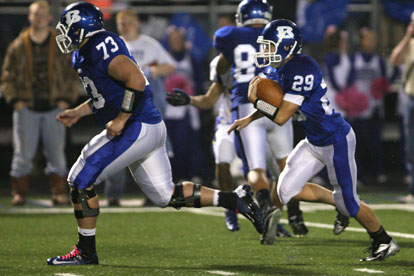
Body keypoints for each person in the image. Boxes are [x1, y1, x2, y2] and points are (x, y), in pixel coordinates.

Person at [47, 2, 263, 266]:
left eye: (68, 28)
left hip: (135, 125)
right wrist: (79, 112)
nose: (65, 34)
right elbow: (104, 94)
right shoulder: (85, 51)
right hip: (148, 127)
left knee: (79, 179)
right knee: (164, 195)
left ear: (82, 26)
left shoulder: (99, 45)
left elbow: (136, 81)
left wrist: (122, 118)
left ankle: (85, 251)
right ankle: (233, 198)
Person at [229, 19, 400, 261]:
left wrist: (257, 101)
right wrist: (251, 116)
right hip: (314, 140)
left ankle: (383, 241)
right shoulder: (276, 69)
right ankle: (338, 203)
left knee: (350, 204)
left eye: (269, 46)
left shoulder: (302, 68)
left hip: (336, 139)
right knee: (286, 189)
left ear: (286, 47)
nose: (265, 51)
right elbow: (278, 104)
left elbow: (281, 117)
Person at [213, 0, 307, 243]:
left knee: (256, 169)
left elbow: (223, 63)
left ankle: (266, 209)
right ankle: (295, 213)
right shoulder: (277, 34)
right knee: (286, 167)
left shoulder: (230, 35)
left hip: (249, 103)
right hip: (277, 104)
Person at [1, 0, 79, 206]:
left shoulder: (60, 43)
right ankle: (19, 193)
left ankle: (59, 191)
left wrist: (66, 100)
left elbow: (74, 72)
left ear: (49, 17)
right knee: (23, 154)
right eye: (35, 14)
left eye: (42, 14)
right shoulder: (19, 44)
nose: (39, 18)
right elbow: (7, 75)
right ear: (30, 17)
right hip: (26, 106)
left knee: (56, 153)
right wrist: (15, 100)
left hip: (55, 107)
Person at [102, 9, 177, 206]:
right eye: (121, 23)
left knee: (148, 148)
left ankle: (153, 193)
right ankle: (113, 194)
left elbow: (170, 65)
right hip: (121, 103)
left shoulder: (149, 44)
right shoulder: (113, 44)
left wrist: (153, 70)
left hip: (144, 105)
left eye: (128, 22)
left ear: (136, 23)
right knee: (115, 145)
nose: (125, 27)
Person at [390, 12, 414, 204]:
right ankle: (413, 190)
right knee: (411, 147)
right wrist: (407, 36)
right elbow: (395, 60)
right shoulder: (410, 42)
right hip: (410, 97)